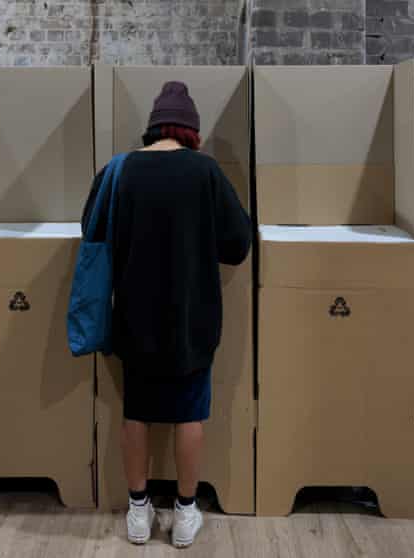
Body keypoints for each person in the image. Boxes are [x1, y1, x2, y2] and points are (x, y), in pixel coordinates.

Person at [82, 82, 252, 547]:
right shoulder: (206, 172)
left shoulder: (120, 170)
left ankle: (138, 512)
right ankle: (184, 513)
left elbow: (90, 228)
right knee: (188, 414)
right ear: (190, 131)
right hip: (191, 317)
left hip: (134, 314)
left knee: (136, 411)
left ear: (153, 127)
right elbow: (239, 245)